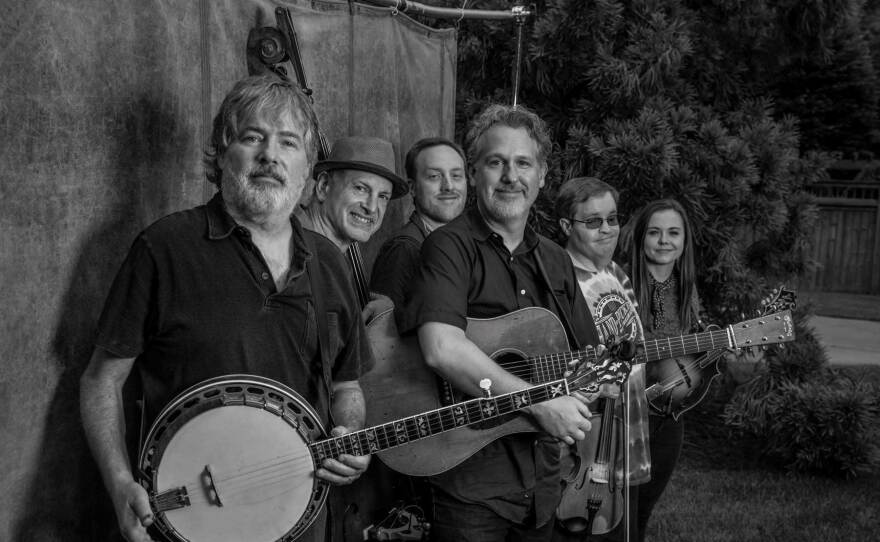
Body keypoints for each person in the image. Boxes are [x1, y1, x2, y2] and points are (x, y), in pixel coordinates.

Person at [79, 75, 372, 542]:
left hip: (299, 516)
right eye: (253, 137)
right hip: (189, 516)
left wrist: (349, 434)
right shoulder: (164, 248)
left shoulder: (329, 261)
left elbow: (347, 384)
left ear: (307, 168)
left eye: (288, 143)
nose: (270, 156)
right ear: (221, 152)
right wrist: (119, 485)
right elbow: (101, 380)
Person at [401, 104, 606, 542]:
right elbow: (441, 347)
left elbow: (588, 360)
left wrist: (593, 381)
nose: (511, 176)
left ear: (542, 176)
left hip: (542, 482)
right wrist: (537, 402)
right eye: (496, 163)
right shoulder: (447, 246)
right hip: (469, 481)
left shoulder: (555, 260)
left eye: (523, 163)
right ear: (475, 173)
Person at [552, 177, 652, 542]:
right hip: (584, 447)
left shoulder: (617, 274)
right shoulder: (559, 279)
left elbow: (636, 352)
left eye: (612, 218)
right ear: (566, 225)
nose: (607, 228)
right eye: (593, 221)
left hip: (626, 437)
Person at [628, 198, 702, 542]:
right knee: (616, 509)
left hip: (666, 412)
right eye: (655, 232)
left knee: (643, 509)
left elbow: (687, 351)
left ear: (685, 241)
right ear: (641, 237)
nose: (664, 240)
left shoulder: (688, 289)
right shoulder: (621, 283)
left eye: (674, 232)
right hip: (622, 412)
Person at [370, 136, 467, 313]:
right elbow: (381, 335)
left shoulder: (466, 245)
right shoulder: (404, 250)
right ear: (412, 188)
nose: (448, 186)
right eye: (434, 176)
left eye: (456, 175)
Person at [295, 135, 408, 253]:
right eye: (360, 188)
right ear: (324, 185)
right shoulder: (287, 246)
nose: (372, 208)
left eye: (383, 197)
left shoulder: (331, 258)